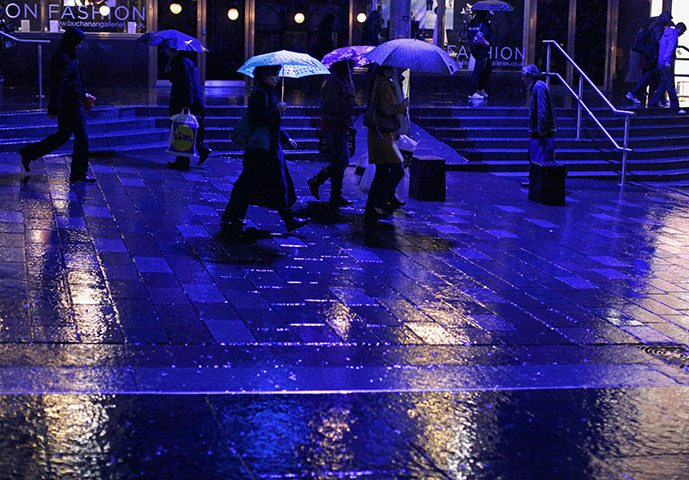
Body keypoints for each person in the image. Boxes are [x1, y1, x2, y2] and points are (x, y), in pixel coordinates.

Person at [220, 65, 310, 234]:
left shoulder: (268, 93)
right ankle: (288, 219)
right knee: (274, 183)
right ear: (265, 76)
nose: (277, 78)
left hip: (269, 147)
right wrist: (277, 111)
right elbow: (258, 119)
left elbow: (272, 125)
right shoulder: (260, 94)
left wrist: (285, 137)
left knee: (250, 184)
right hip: (263, 150)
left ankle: (232, 216)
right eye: (274, 75)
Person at [19, 27, 96, 182]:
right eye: (78, 42)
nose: (79, 46)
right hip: (70, 106)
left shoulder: (69, 56)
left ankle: (29, 152)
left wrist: (83, 94)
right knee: (82, 138)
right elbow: (59, 84)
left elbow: (74, 80)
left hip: (72, 103)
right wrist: (54, 107)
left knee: (63, 136)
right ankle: (79, 173)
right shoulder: (63, 58)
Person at [363, 66, 409, 223]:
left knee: (382, 171)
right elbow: (387, 109)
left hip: (382, 132)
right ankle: (378, 204)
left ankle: (373, 207)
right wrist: (403, 106)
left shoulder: (383, 82)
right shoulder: (383, 85)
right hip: (381, 134)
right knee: (396, 169)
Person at [309, 59, 355, 206]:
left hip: (341, 125)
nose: (352, 71)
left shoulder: (341, 83)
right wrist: (348, 96)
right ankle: (317, 180)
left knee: (339, 159)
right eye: (350, 68)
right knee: (342, 160)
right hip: (333, 125)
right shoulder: (333, 84)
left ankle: (335, 195)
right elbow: (331, 106)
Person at [165, 45, 212, 170]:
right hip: (189, 101)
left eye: (169, 49)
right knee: (185, 128)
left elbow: (186, 84)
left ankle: (184, 160)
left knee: (183, 128)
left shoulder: (182, 63)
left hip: (185, 102)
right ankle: (197, 151)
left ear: (175, 50)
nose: (166, 51)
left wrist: (186, 103)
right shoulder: (183, 62)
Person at [520, 64, 557, 188]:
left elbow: (542, 109)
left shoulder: (538, 87)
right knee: (536, 155)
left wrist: (541, 128)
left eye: (524, 76)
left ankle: (538, 181)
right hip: (541, 128)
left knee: (538, 156)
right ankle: (536, 180)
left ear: (530, 76)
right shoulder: (537, 86)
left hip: (541, 129)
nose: (523, 79)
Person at [626, 11, 673, 105]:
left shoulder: (653, 25)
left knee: (654, 76)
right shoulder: (658, 27)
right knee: (654, 76)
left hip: (649, 54)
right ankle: (633, 93)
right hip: (653, 55)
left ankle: (659, 98)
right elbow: (658, 41)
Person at [648, 22, 687, 114]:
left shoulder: (665, 34)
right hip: (666, 63)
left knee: (664, 84)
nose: (682, 34)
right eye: (683, 31)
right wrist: (667, 61)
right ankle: (675, 107)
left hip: (660, 62)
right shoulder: (674, 36)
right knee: (670, 85)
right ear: (680, 29)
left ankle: (653, 101)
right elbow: (670, 48)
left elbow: (661, 45)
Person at [467, 10, 495, 100]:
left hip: (475, 47)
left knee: (484, 67)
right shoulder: (484, 22)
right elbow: (488, 35)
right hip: (482, 48)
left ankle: (479, 88)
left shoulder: (472, 22)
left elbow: (470, 35)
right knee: (480, 68)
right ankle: (473, 91)